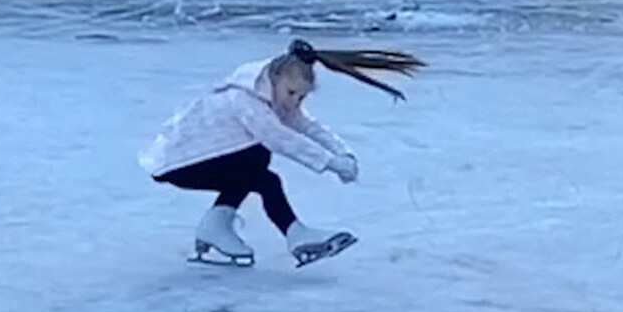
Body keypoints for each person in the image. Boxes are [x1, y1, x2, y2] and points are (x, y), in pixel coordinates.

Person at [139, 39, 425, 267]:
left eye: (301, 97)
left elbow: (306, 126)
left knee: (265, 177)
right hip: (177, 163)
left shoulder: (273, 97)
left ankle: (221, 225)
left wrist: (343, 153)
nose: (294, 101)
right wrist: (331, 163)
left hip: (200, 160)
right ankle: (288, 233)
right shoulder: (245, 99)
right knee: (258, 157)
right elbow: (279, 139)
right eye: (291, 93)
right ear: (273, 79)